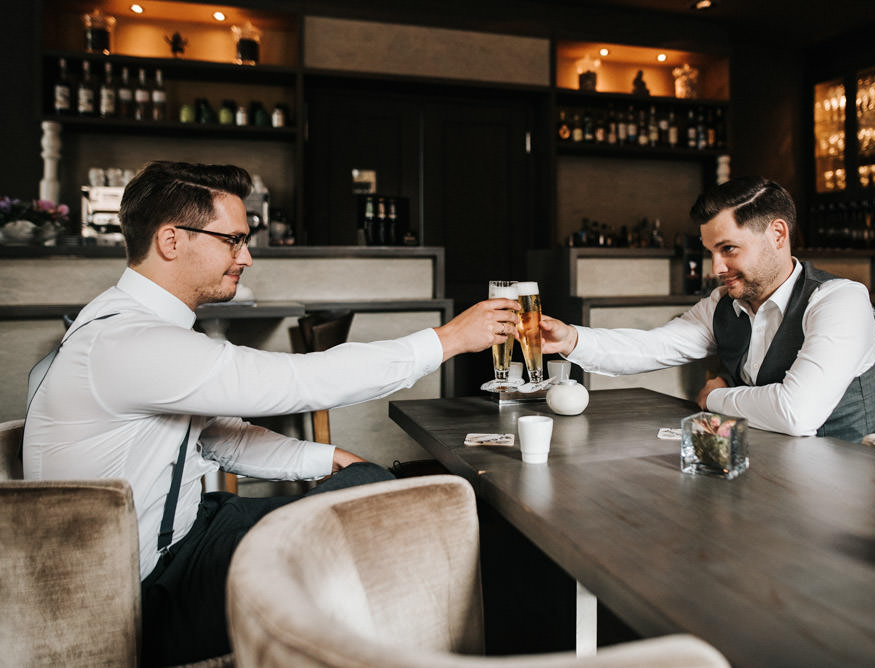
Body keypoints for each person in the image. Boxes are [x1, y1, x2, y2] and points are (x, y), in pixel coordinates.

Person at [21, 161, 520, 666]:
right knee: (377, 511)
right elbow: (298, 382)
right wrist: (447, 340)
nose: (247, 258)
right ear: (171, 241)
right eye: (233, 241)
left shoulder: (129, 324)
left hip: (188, 531)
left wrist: (327, 459)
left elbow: (217, 439)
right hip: (142, 597)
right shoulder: (130, 341)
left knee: (365, 481)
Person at [540, 176, 875, 442]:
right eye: (710, 251)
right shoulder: (724, 304)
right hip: (768, 478)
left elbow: (796, 413)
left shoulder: (839, 301)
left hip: (849, 491)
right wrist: (571, 340)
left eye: (729, 249)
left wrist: (717, 396)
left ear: (778, 235)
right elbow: (653, 347)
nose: (715, 268)